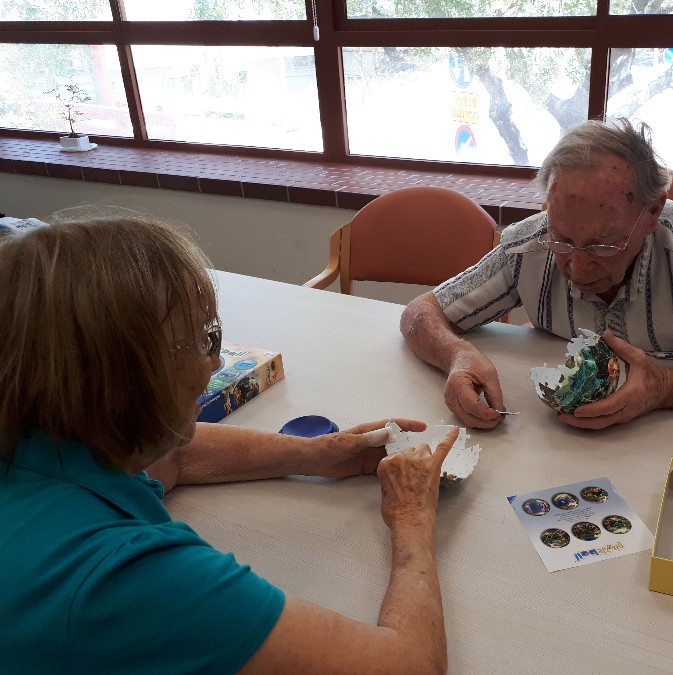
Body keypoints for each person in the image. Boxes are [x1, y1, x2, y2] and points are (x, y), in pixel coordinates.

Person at [0, 216, 456, 674]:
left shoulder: (39, 434)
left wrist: (315, 454)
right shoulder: (126, 577)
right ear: (122, 380)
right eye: (201, 341)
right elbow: (411, 665)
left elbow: (174, 456)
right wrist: (412, 516)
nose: (216, 361)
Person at [400, 118, 673, 431]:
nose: (576, 266)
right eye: (563, 238)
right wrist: (457, 356)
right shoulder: (528, 245)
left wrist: (667, 388)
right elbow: (421, 314)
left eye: (602, 244)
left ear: (652, 212)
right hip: (556, 449)